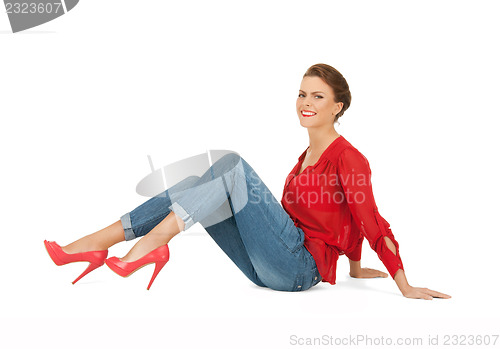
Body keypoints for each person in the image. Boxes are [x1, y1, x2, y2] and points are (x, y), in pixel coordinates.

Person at [44, 63, 451, 300]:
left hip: (297, 268)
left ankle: (150, 244)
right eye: (302, 94)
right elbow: (341, 216)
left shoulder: (350, 157)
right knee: (199, 181)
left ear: (338, 106)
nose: (306, 103)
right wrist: (356, 269)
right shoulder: (303, 159)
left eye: (318, 97)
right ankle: (98, 243)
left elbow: (368, 218)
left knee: (231, 165)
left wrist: (404, 282)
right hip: (264, 269)